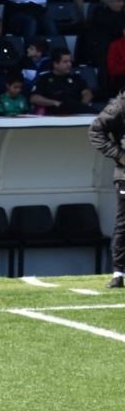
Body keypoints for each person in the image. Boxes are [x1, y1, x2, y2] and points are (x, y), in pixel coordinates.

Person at [87, 92, 125, 288]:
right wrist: (119, 156)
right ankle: (118, 274)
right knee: (123, 225)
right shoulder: (120, 106)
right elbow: (95, 131)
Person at [30, 52, 95, 115]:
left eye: (70, 61)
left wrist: (82, 105)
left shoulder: (76, 77)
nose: (69, 64)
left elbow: (87, 93)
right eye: (65, 62)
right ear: (55, 64)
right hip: (55, 111)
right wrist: (53, 103)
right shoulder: (44, 78)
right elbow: (34, 98)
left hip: (76, 110)